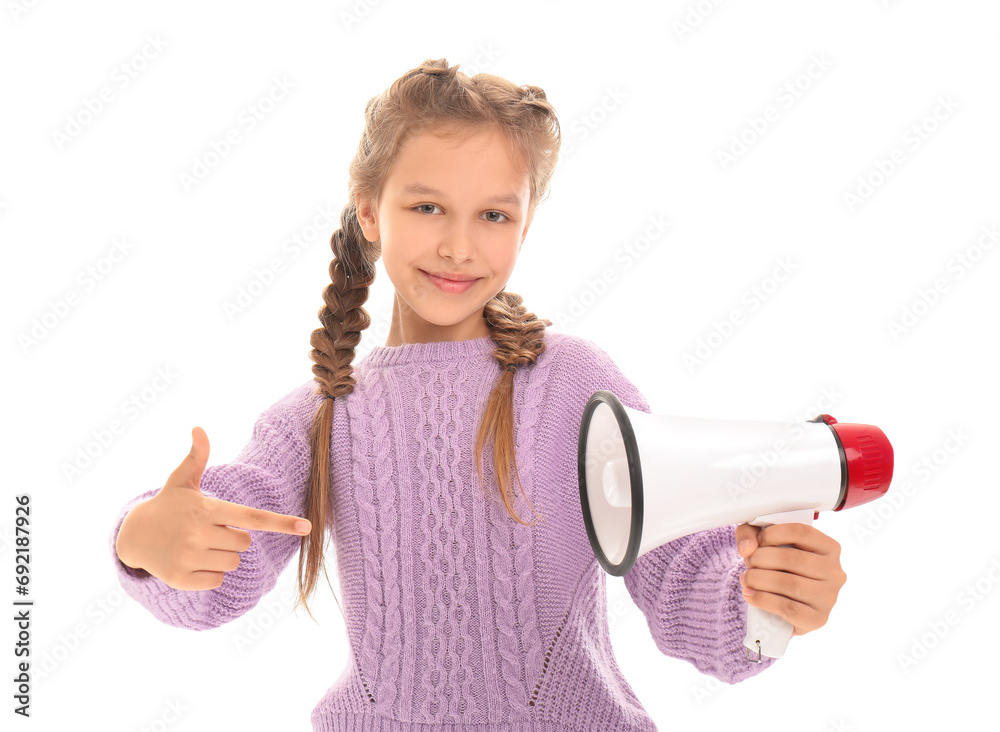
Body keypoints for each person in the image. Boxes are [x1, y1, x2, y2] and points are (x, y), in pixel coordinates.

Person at [110, 58, 847, 731]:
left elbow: (686, 575)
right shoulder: (319, 414)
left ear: (524, 226)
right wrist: (144, 537)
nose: (459, 246)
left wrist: (763, 599)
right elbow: (215, 572)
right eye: (427, 207)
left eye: (493, 214)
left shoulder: (574, 385)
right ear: (370, 210)